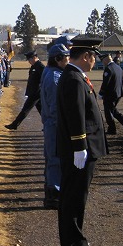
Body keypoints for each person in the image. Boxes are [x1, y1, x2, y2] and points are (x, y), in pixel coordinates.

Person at [56, 36, 107, 246]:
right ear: (86, 56)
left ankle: (72, 239)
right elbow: (75, 114)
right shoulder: (74, 79)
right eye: (93, 56)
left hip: (81, 146)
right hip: (79, 148)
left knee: (75, 194)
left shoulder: (75, 76)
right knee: (75, 196)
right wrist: (79, 146)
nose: (95, 60)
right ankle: (74, 241)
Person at [40, 43, 70, 209]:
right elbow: (56, 107)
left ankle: (52, 192)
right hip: (55, 124)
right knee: (55, 160)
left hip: (51, 123)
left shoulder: (51, 73)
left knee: (52, 159)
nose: (68, 60)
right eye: (66, 57)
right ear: (58, 59)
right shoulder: (55, 78)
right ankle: (53, 196)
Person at [5, 50, 45, 130]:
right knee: (42, 111)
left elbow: (44, 80)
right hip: (34, 92)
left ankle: (15, 124)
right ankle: (47, 124)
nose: (28, 61)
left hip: (36, 93)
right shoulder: (34, 66)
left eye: (29, 59)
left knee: (25, 109)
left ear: (34, 57)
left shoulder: (40, 66)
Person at [98, 52, 123, 134]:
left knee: (108, 112)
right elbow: (122, 81)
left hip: (110, 95)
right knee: (113, 110)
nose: (102, 62)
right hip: (118, 93)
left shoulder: (108, 68)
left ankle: (112, 129)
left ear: (106, 60)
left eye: (102, 60)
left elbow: (106, 82)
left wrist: (101, 93)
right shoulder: (118, 67)